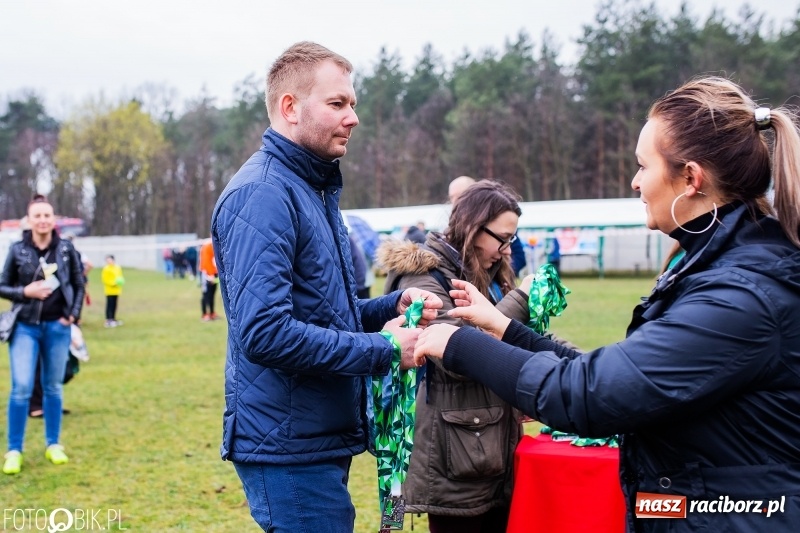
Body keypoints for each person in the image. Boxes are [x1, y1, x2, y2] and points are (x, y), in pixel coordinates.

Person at [413, 76, 800, 532]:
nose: (635, 183)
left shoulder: (739, 295)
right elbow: (619, 378)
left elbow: (589, 396)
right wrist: (505, 328)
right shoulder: (720, 269)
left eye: (643, 166)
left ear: (691, 179)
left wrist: (459, 343)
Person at [209, 41, 443, 532]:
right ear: (290, 108)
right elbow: (266, 332)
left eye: (353, 104)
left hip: (313, 435)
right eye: (338, 103)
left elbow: (325, 312)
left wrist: (389, 306)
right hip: (287, 446)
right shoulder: (263, 194)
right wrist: (382, 349)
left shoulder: (309, 188)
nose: (353, 117)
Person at [378, 180, 534, 532]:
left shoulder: (489, 272)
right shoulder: (423, 277)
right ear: (473, 227)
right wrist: (517, 304)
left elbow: (512, 344)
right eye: (503, 239)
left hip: (491, 447)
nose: (508, 250)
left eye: (513, 240)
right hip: (455, 454)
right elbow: (452, 355)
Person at [0, 194, 85, 475]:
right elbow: (3, 285)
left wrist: (71, 315)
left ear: (54, 218)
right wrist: (26, 291)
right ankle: (14, 450)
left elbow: (78, 282)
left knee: (53, 387)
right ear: (29, 220)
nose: (43, 220)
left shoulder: (65, 249)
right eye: (37, 215)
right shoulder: (17, 250)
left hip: (57, 327)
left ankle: (53, 444)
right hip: (25, 327)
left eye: (47, 215)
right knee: (22, 387)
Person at [449, 175, 526, 276]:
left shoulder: (501, 225)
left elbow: (519, 257)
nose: (455, 202)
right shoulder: (442, 271)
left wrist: (503, 275)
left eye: (460, 196)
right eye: (451, 197)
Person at [198, 238, 219, 321]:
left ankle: (212, 313)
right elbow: (206, 261)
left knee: (212, 294)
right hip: (206, 273)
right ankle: (204, 314)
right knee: (206, 294)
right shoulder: (207, 245)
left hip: (214, 273)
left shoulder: (216, 245)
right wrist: (210, 275)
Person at [100, 255, 124, 328]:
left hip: (116, 290)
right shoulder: (106, 269)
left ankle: (113, 318)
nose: (109, 262)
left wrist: (120, 282)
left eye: (110, 260)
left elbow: (120, 277)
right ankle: (108, 320)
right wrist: (112, 283)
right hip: (109, 290)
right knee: (109, 305)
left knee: (114, 305)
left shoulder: (117, 268)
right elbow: (105, 279)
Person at [348, 234, 371, 299]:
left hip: (360, 283)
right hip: (361, 281)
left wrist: (358, 285)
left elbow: (358, 261)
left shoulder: (348, 240)